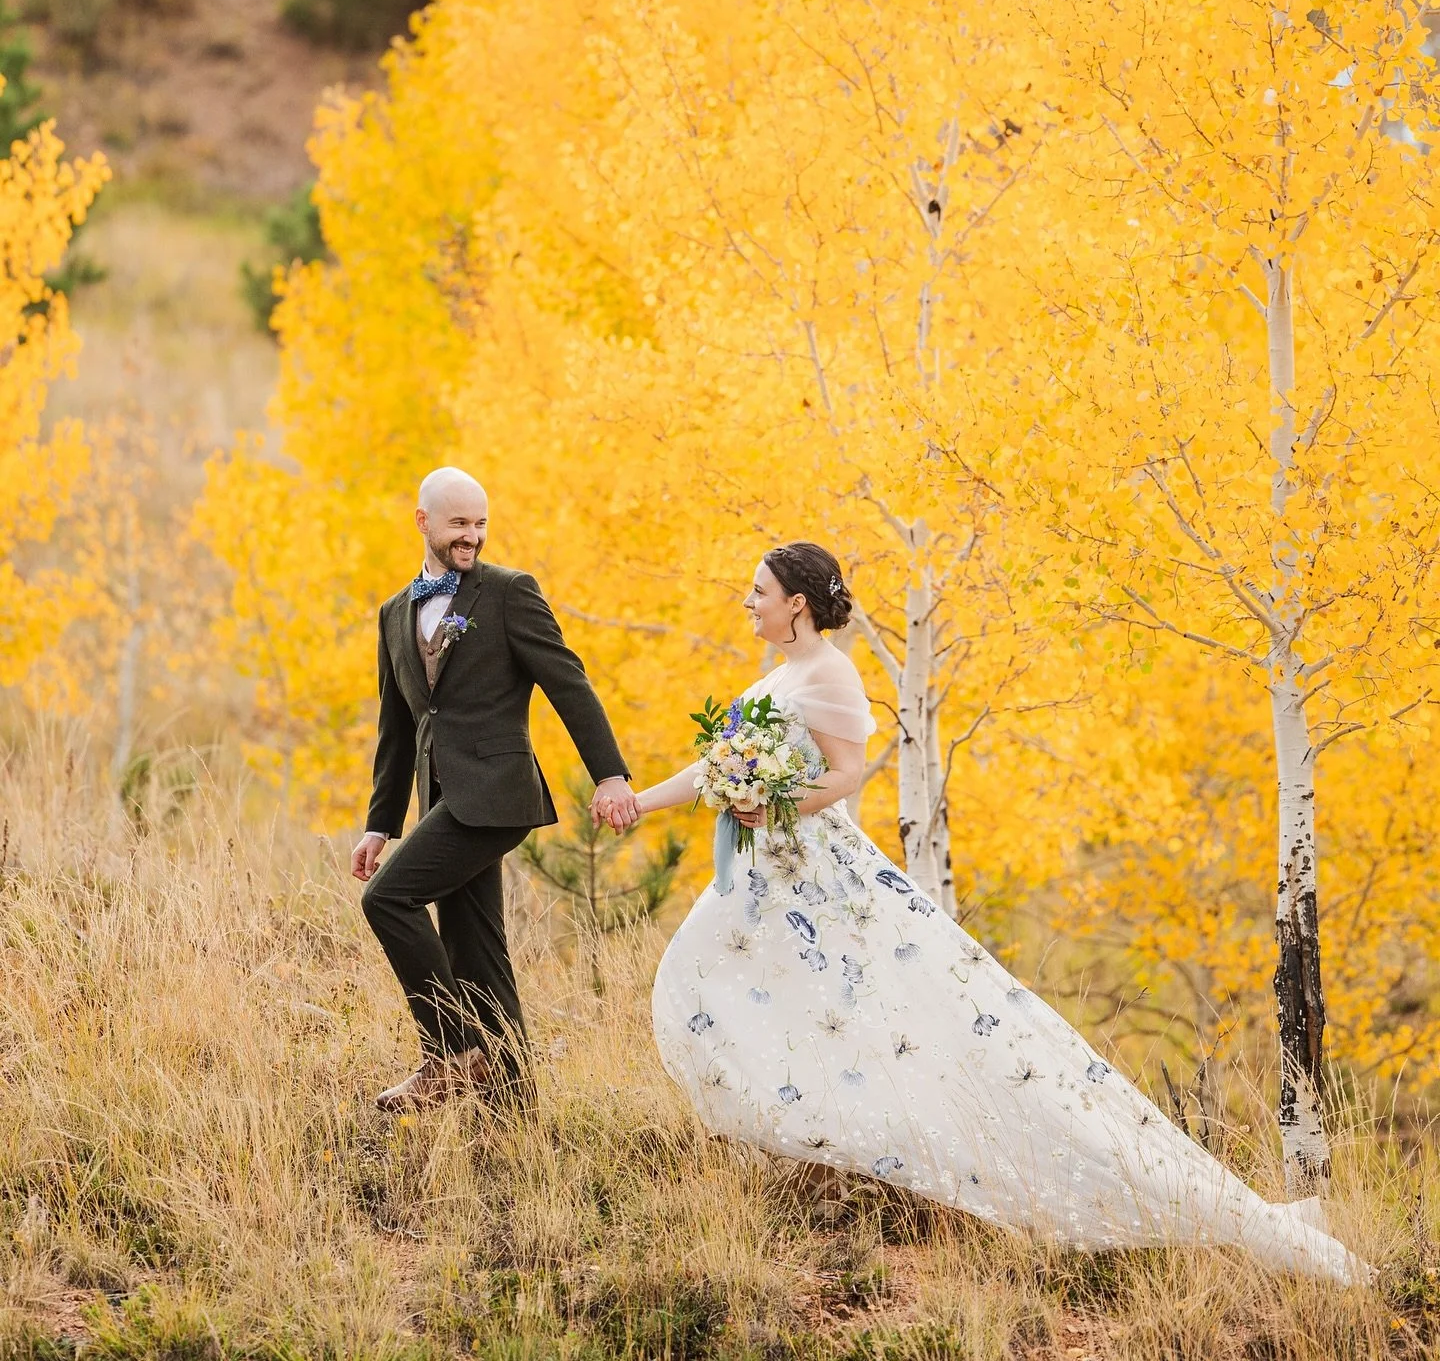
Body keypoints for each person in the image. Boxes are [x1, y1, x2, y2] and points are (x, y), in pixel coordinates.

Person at [600, 540, 1365, 1284]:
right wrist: (641, 801)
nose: (748, 602)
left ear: (795, 604)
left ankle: (863, 1142)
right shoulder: (782, 672)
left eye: (758, 592)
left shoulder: (831, 675)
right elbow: (717, 763)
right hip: (766, 869)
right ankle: (805, 1139)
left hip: (812, 867)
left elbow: (843, 775)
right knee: (733, 986)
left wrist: (773, 801)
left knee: (867, 1010)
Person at [352, 467, 638, 1110]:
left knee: (387, 900)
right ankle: (513, 1107)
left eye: (480, 524)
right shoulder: (394, 614)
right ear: (423, 521)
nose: (471, 537)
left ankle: (451, 1053)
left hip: (500, 792)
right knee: (475, 944)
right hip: (442, 798)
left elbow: (569, 682)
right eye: (459, 524)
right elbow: (396, 726)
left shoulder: (509, 593)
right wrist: (381, 822)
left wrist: (611, 774)